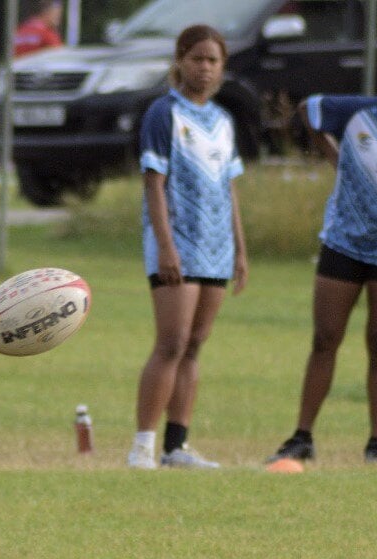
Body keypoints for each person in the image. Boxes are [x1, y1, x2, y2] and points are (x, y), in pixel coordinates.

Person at [267, 59, 377, 465]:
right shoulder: (361, 113)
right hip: (343, 244)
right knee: (325, 338)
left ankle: (376, 443)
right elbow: (309, 109)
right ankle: (302, 436)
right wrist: (336, 157)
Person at [126, 24, 249, 470]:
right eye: (196, 58)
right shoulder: (164, 114)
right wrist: (166, 247)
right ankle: (142, 445)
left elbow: (228, 189)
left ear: (222, 67)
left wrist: (239, 248)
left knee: (195, 344)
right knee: (172, 343)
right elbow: (154, 185)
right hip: (178, 245)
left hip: (216, 248)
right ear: (180, 60)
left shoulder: (222, 121)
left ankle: (176, 446)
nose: (204, 68)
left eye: (213, 60)